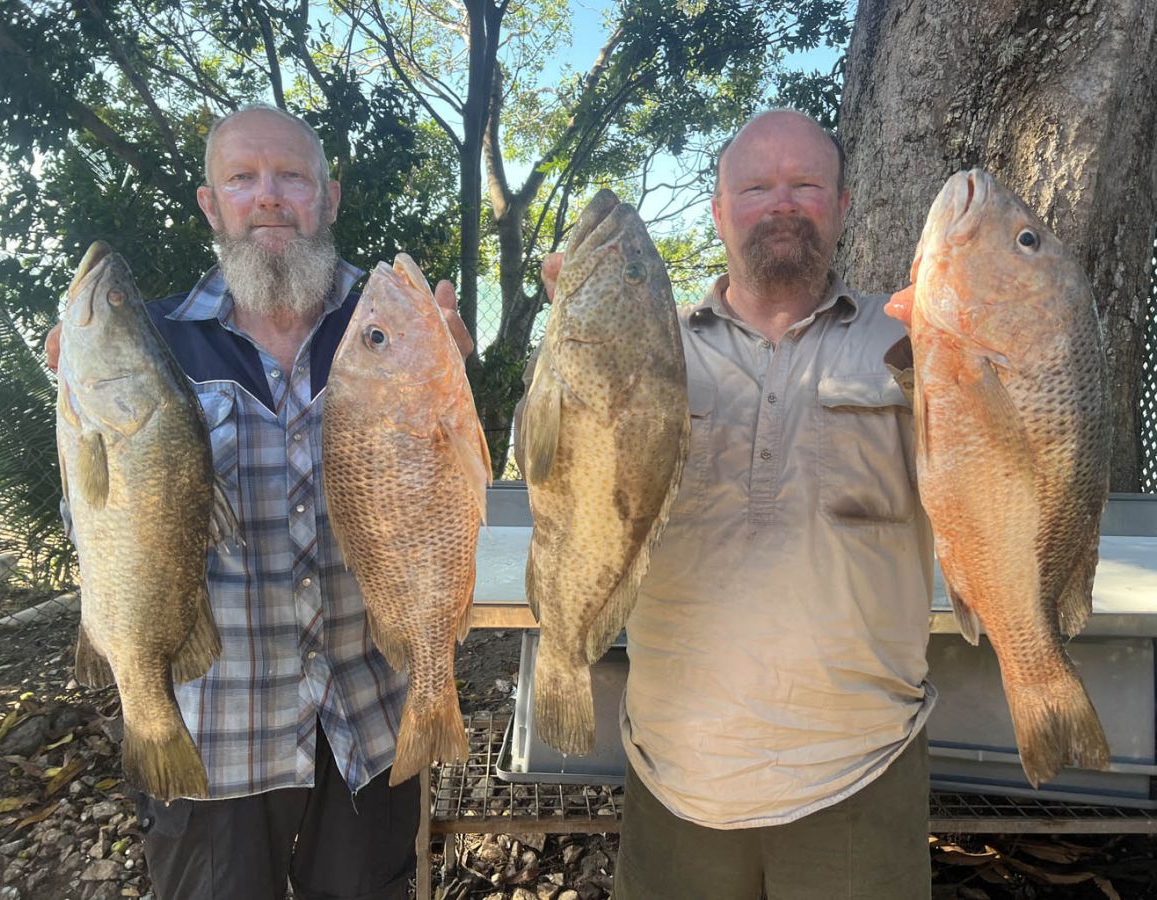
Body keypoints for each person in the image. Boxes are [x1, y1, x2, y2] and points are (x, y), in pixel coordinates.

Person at [46, 104, 472, 900]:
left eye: (291, 177)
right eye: (243, 179)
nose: (268, 196)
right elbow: (100, 529)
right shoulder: (154, 341)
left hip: (372, 719)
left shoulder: (394, 326)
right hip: (216, 734)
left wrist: (449, 389)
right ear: (212, 204)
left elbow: (445, 499)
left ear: (329, 197)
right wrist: (75, 412)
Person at [535, 109, 934, 899]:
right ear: (718, 212)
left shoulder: (906, 342)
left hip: (861, 763)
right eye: (756, 187)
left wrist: (983, 342)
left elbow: (999, 467)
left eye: (806, 184)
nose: (782, 203)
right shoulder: (650, 342)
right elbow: (555, 474)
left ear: (843, 205)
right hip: (677, 766)